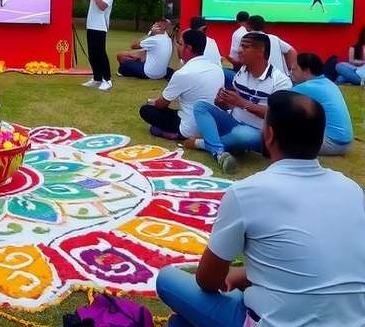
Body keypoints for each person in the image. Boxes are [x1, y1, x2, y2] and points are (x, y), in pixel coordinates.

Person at [156, 91, 365, 327]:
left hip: (272, 321)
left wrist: (237, 276)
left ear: (269, 134)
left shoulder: (247, 192)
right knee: (180, 323)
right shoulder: (352, 190)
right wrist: (243, 275)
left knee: (167, 280)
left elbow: (207, 280)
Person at [192, 32, 292, 173]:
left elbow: (278, 116)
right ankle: (219, 151)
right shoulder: (242, 72)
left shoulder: (280, 81)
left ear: (260, 51)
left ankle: (203, 144)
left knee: (242, 135)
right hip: (233, 122)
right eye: (240, 46)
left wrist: (241, 103)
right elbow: (234, 106)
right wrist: (223, 102)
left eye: (245, 47)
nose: (239, 50)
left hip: (258, 133)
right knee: (200, 106)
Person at [141, 30, 224, 142]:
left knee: (146, 110)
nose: (177, 47)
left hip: (190, 128)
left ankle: (175, 134)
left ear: (188, 48)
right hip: (212, 125)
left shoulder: (183, 73)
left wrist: (152, 102)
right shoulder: (217, 69)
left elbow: (161, 104)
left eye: (180, 44)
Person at [290, 52, 353, 156]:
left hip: (331, 144)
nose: (291, 73)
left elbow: (276, 99)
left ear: (306, 71)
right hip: (345, 143)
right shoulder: (329, 83)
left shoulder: (308, 87)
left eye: (294, 69)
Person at [82, 0, 115, 91]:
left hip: (101, 26)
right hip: (91, 24)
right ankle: (97, 78)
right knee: (92, 54)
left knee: (100, 53)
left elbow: (102, 6)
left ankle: (107, 80)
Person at [224, 11, 249, 86]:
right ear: (248, 20)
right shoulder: (257, 33)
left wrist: (227, 57)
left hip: (240, 67)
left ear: (237, 21)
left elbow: (235, 59)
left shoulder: (237, 33)